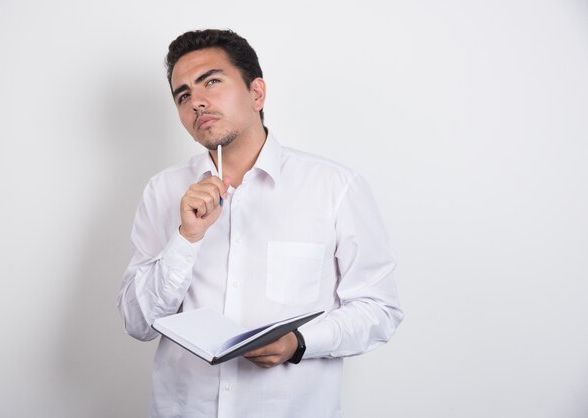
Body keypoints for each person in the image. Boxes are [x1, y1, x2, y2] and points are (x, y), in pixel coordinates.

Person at [117, 29, 403, 418]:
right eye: (183, 95)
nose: (196, 102)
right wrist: (187, 238)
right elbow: (138, 322)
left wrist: (299, 342)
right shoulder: (163, 191)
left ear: (256, 94)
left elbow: (378, 308)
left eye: (212, 82)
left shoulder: (335, 188)